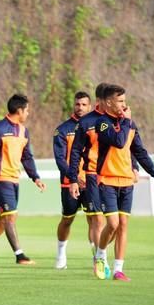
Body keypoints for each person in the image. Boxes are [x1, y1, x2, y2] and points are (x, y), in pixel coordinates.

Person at [91, 84, 154, 281]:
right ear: (109, 102)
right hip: (107, 180)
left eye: (125, 101)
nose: (125, 105)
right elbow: (118, 140)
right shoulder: (102, 123)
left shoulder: (130, 125)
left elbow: (140, 152)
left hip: (126, 181)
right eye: (120, 101)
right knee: (113, 223)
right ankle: (100, 255)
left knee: (123, 225)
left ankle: (118, 269)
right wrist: (127, 121)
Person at [0, 94, 46, 265]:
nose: (28, 113)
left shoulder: (23, 131)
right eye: (27, 110)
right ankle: (20, 255)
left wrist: (35, 177)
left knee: (7, 218)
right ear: (19, 110)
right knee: (10, 216)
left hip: (14, 179)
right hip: (0, 178)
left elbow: (27, 157)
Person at [67, 84, 109, 259]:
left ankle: (101, 253)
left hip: (112, 176)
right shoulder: (85, 123)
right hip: (91, 175)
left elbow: (128, 145)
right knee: (97, 220)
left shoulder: (119, 120)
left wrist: (134, 167)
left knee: (114, 222)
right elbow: (75, 152)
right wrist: (74, 179)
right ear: (101, 101)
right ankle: (99, 258)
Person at [52, 91, 92, 269]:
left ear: (89, 106)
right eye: (78, 104)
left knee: (95, 220)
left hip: (91, 181)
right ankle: (61, 254)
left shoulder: (95, 127)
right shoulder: (62, 130)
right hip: (69, 184)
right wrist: (74, 178)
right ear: (73, 105)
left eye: (84, 104)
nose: (80, 107)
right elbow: (60, 159)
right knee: (67, 219)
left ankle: (97, 257)